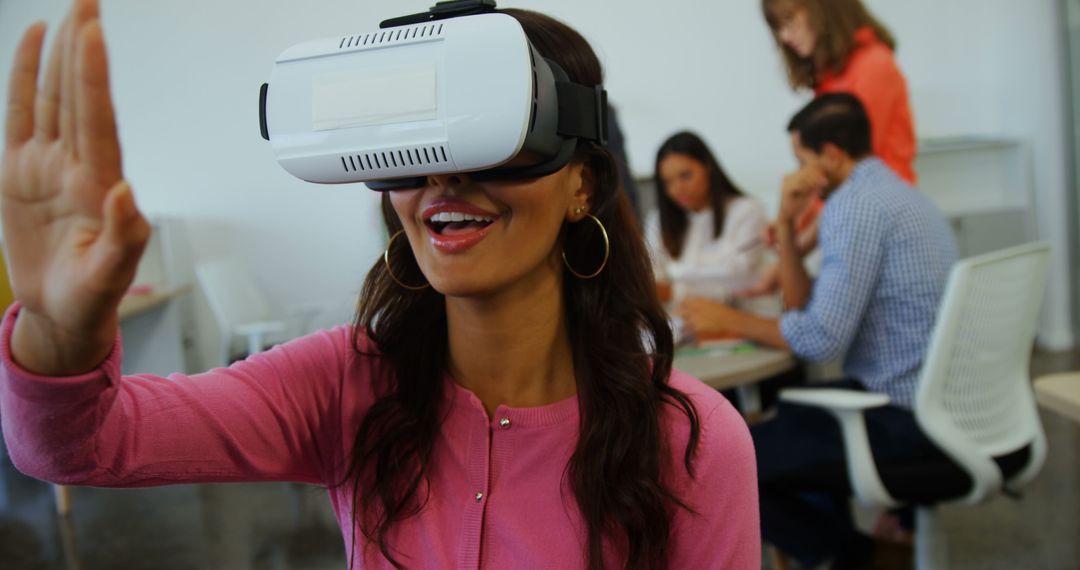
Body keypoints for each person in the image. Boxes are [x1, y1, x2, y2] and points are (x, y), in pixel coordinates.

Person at [0, 1, 759, 568]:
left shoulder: (691, 441)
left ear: (582, 185)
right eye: (411, 146)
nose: (445, 177)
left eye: (498, 135)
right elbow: (79, 446)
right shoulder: (345, 387)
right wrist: (60, 330)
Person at [680, 93, 956, 567]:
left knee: (725, 461)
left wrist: (729, 321)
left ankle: (859, 557)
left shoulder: (855, 206)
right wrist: (787, 224)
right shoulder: (899, 195)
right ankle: (853, 551)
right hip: (936, 403)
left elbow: (819, 338)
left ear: (830, 156)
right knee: (789, 417)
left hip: (903, 417)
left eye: (800, 161)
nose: (796, 174)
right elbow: (806, 307)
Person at [747, 0, 918, 298]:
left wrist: (793, 245)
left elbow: (847, 178)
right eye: (779, 29)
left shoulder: (872, 67)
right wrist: (793, 226)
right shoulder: (834, 76)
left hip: (878, 231)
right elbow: (826, 179)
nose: (785, 37)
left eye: (789, 21)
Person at [646, 132, 768, 309]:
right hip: (681, 323)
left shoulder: (746, 211)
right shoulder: (658, 220)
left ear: (707, 166)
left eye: (685, 175)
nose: (677, 189)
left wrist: (674, 290)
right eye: (668, 182)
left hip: (740, 322)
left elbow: (740, 279)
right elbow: (653, 276)